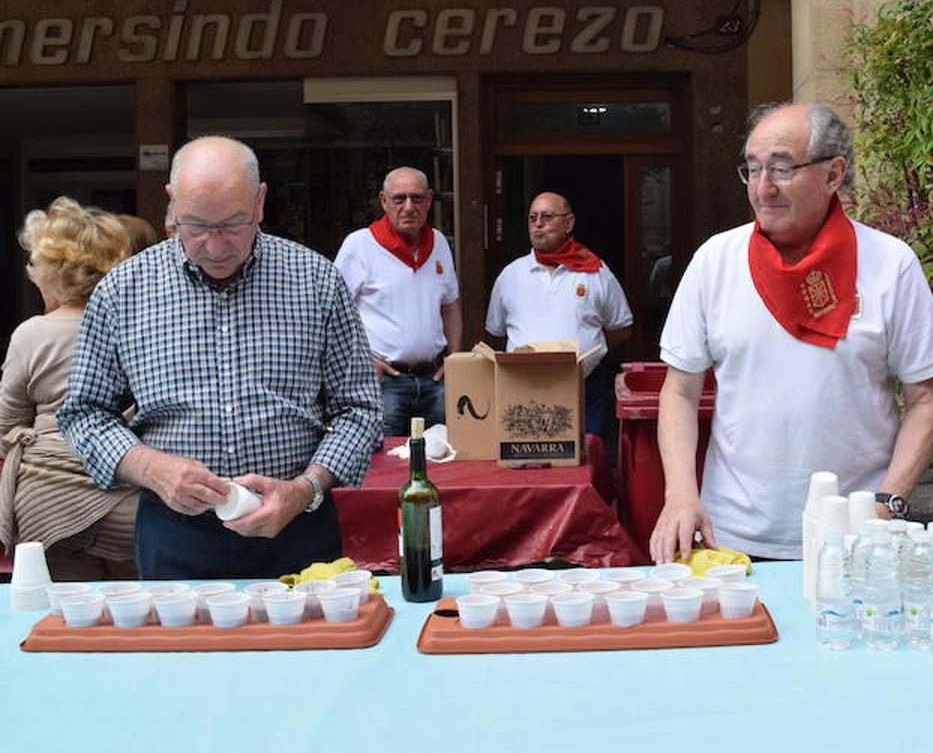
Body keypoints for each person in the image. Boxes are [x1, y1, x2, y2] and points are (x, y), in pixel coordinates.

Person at [57, 136, 382, 579]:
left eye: (233, 224)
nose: (214, 246)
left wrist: (306, 488)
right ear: (172, 203)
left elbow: (359, 409)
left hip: (297, 527)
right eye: (195, 226)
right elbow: (84, 414)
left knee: (310, 648)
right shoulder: (123, 291)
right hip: (175, 533)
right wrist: (151, 469)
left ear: (260, 201)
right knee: (180, 650)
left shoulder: (316, 281)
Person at [650, 103, 933, 563]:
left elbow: (927, 396)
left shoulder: (891, 265)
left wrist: (887, 505)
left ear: (833, 175)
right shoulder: (716, 262)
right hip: (732, 534)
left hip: (858, 535)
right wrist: (680, 495)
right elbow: (679, 391)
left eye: (782, 168)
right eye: (752, 170)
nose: (763, 188)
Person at [0, 198, 138, 580]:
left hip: (46, 504)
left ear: (54, 272)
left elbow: (5, 428)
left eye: (35, 264)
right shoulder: (136, 331)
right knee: (132, 617)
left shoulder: (31, 335)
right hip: (129, 502)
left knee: (62, 617)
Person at [485, 192, 634, 437]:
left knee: (585, 463)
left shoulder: (595, 271)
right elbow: (496, 334)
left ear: (569, 222)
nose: (538, 224)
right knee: (530, 468)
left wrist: (592, 352)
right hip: (524, 392)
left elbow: (622, 327)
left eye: (547, 217)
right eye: (533, 218)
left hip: (583, 389)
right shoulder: (510, 275)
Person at [335, 167, 463, 437]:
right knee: (384, 466)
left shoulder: (438, 242)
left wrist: (454, 358)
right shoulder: (359, 245)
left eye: (417, 199)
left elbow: (450, 305)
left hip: (435, 379)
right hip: (384, 382)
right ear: (383, 201)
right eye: (399, 199)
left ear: (429, 200)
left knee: (446, 462)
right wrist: (362, 359)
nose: (409, 207)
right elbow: (333, 313)